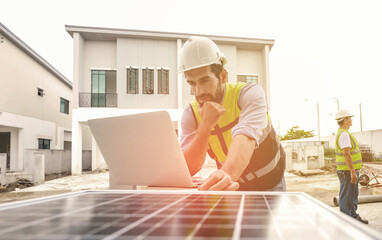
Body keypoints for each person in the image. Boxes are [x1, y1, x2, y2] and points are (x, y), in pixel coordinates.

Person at [178, 36, 285, 191]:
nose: (198, 91)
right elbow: (188, 168)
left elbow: (246, 137)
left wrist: (226, 174)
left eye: (205, 80)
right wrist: (205, 125)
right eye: (192, 83)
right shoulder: (190, 114)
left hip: (269, 181)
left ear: (222, 76)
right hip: (234, 184)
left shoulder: (250, 94)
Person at [335, 109, 368, 224]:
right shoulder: (344, 134)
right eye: (349, 118)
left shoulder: (344, 133)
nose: (351, 119)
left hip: (348, 171)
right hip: (347, 171)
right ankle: (346, 221)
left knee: (352, 195)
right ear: (345, 120)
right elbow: (346, 153)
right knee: (347, 196)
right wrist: (352, 172)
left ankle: (353, 216)